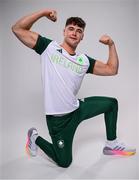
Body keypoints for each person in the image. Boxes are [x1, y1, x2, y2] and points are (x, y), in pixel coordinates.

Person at [12, 9, 136, 168]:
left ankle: (111, 144)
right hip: (58, 120)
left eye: (79, 31)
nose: (74, 33)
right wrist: (44, 13)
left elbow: (112, 69)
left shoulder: (83, 60)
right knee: (64, 162)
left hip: (77, 110)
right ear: (64, 31)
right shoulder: (48, 48)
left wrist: (111, 44)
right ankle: (34, 137)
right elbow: (17, 29)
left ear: (82, 36)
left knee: (111, 104)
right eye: (71, 28)